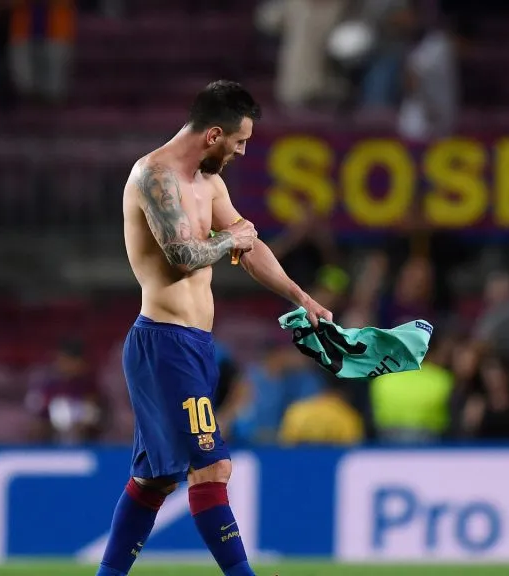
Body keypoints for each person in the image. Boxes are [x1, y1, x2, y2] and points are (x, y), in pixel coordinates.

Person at [94, 80, 333, 576]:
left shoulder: (210, 183)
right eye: (240, 141)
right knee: (213, 466)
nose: (242, 152)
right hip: (163, 341)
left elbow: (251, 247)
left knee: (157, 479)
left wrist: (301, 296)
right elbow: (182, 256)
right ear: (214, 134)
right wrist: (232, 239)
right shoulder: (153, 176)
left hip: (194, 344)